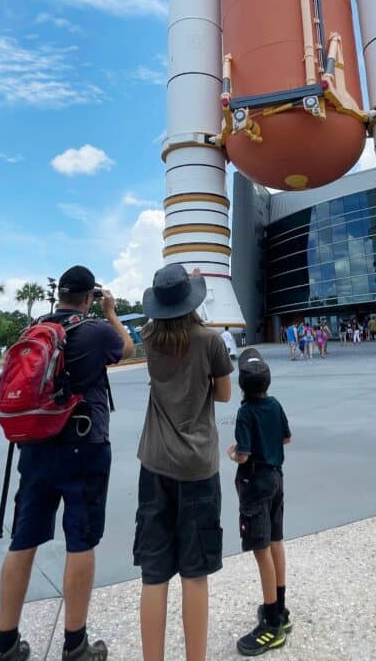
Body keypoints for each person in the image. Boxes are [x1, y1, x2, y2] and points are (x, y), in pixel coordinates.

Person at [0, 266, 134, 661]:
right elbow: (128, 349)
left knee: (24, 541)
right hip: (83, 446)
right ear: (89, 297)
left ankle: (5, 645)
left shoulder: (32, 331)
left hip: (34, 448)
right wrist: (111, 313)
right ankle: (75, 645)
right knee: (80, 539)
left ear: (61, 295)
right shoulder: (93, 330)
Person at [134, 264, 234, 661]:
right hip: (197, 467)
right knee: (195, 573)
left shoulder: (148, 338)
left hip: (154, 462)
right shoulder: (210, 341)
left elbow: (162, 324)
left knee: (154, 573)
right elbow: (224, 394)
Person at [227, 349, 292, 655]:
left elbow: (242, 454)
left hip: (255, 483)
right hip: (277, 477)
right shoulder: (275, 404)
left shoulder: (245, 412)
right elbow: (286, 438)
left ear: (242, 386)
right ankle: (280, 606)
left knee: (260, 549)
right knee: (276, 541)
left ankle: (271, 623)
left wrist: (233, 454)